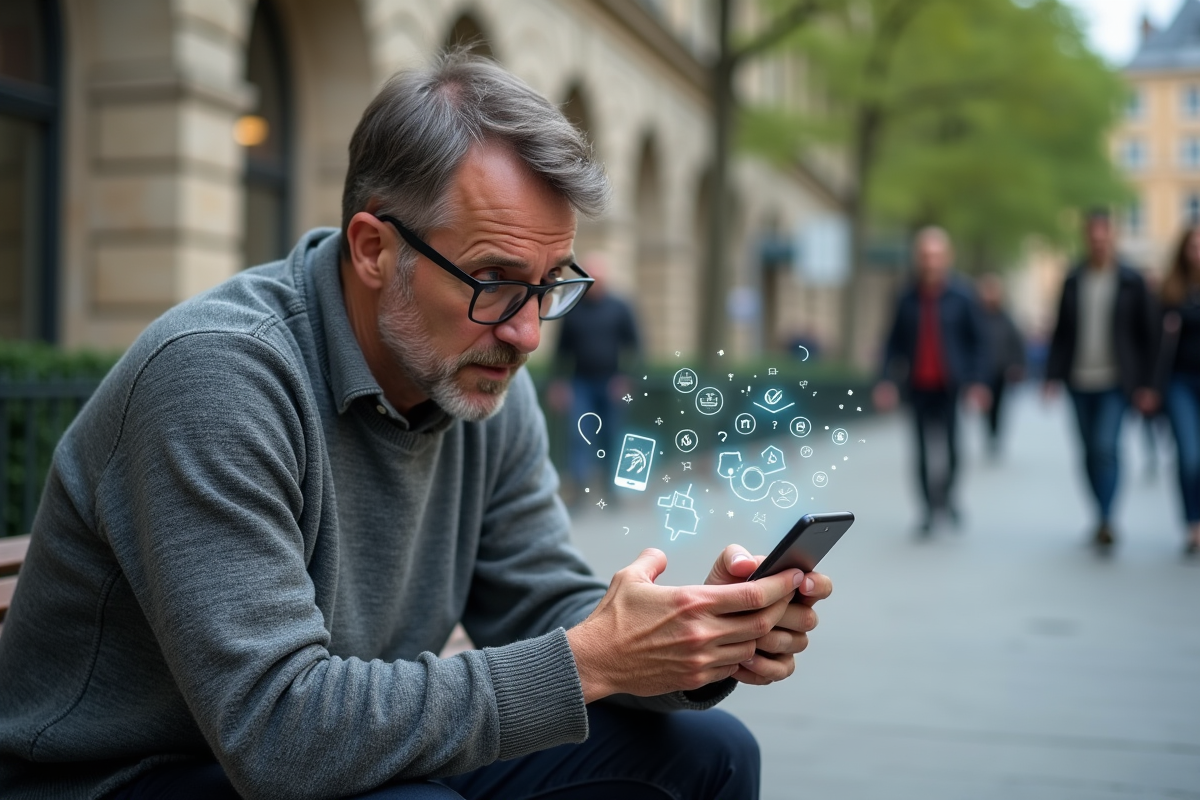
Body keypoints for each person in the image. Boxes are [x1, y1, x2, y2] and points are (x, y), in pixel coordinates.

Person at [0, 53, 833, 799]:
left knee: (710, 752)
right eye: (496, 280)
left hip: (335, 746)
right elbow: (279, 731)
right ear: (372, 248)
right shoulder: (216, 376)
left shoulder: (474, 374)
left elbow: (545, 604)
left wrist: (689, 640)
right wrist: (592, 661)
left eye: (550, 285)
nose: (527, 333)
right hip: (116, 775)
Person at [1044, 209, 1158, 549]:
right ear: (1086, 237)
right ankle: (1099, 513)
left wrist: (1147, 384)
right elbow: (1061, 332)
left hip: (1116, 381)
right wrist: (1051, 376)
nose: (1098, 241)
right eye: (1092, 235)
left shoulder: (1131, 281)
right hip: (1078, 380)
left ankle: (1108, 517)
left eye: (1104, 235)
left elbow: (1148, 334)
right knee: (1087, 451)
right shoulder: (1073, 279)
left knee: (1106, 447)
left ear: (1113, 237)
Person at [874, 226, 991, 533]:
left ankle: (947, 497)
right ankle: (927, 509)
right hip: (917, 386)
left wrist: (978, 382)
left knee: (953, 450)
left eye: (936, 255)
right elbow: (892, 342)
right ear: (918, 258)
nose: (931, 261)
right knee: (922, 452)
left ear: (947, 258)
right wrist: (885, 381)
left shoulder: (963, 295)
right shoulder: (905, 297)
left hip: (950, 386)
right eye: (925, 255)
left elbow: (977, 342)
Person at [548, 254, 640, 503]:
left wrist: (626, 379)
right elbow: (561, 350)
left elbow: (636, 346)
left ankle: (611, 489)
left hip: (610, 382)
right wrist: (558, 383)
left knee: (611, 434)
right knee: (579, 435)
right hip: (580, 383)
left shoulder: (620, 307)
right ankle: (579, 489)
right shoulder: (574, 308)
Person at [1156, 226, 1200, 555]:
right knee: (1189, 456)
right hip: (1180, 382)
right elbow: (1152, 341)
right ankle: (1191, 524)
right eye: (1193, 245)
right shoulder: (1170, 292)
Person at [976, 273, 1026, 458]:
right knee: (985, 405)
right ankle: (989, 433)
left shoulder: (1006, 318)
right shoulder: (976, 317)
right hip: (982, 371)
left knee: (1000, 405)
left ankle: (996, 434)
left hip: (1001, 370)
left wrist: (1017, 365)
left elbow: (1016, 343)